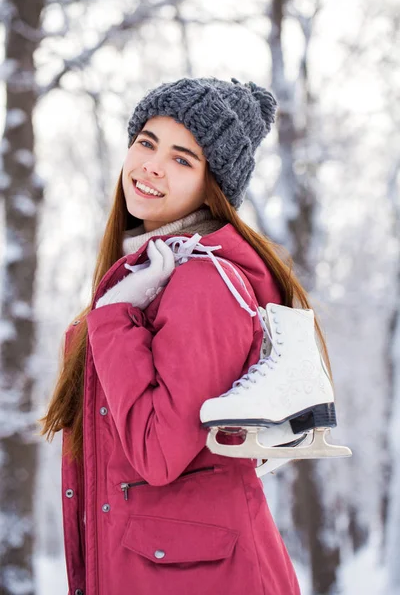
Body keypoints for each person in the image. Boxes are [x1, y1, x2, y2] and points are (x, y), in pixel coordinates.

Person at [39, 77, 331, 595]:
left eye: (182, 159)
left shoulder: (202, 281)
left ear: (211, 186)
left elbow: (158, 454)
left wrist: (113, 317)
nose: (151, 165)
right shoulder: (154, 273)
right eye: (146, 142)